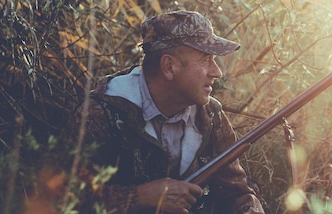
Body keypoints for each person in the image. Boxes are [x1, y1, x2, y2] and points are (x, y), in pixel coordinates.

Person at [60, 10, 264, 214]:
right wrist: (138, 197)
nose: (217, 72)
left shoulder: (211, 116)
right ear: (169, 66)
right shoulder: (101, 114)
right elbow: (63, 197)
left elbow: (237, 194)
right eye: (205, 59)